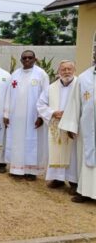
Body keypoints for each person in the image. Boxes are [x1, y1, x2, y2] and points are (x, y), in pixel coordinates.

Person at [4, 50, 49, 180]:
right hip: (16, 116)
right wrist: (6, 114)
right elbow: (8, 95)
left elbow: (46, 96)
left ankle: (31, 171)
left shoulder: (41, 74)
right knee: (17, 142)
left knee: (31, 142)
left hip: (33, 116)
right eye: (24, 58)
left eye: (30, 58)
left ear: (35, 59)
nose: (27, 60)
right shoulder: (15, 74)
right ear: (21, 60)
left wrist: (41, 116)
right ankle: (16, 168)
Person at [59, 52, 96, 203]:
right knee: (85, 159)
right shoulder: (84, 78)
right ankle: (85, 191)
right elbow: (75, 103)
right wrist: (71, 125)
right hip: (87, 128)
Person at [37, 60, 78, 194]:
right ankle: (58, 179)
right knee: (56, 151)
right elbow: (41, 104)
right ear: (59, 71)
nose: (66, 72)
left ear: (74, 70)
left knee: (73, 154)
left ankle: (73, 181)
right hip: (56, 125)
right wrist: (53, 113)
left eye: (69, 69)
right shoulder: (51, 87)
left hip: (73, 127)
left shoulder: (80, 85)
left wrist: (71, 116)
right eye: (63, 69)